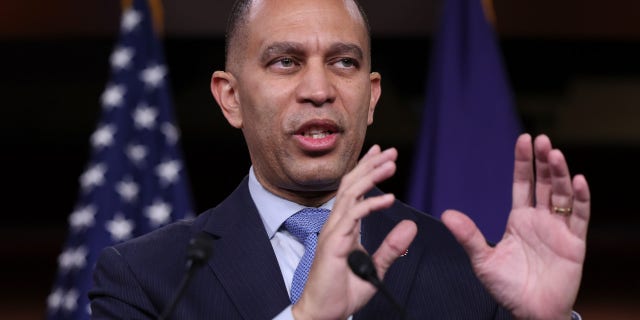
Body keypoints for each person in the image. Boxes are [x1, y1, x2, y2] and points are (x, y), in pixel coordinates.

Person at [89, 0, 591, 319]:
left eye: (343, 62)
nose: (318, 90)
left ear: (371, 97)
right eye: (285, 62)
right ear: (231, 97)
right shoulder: (143, 279)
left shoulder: (471, 273)